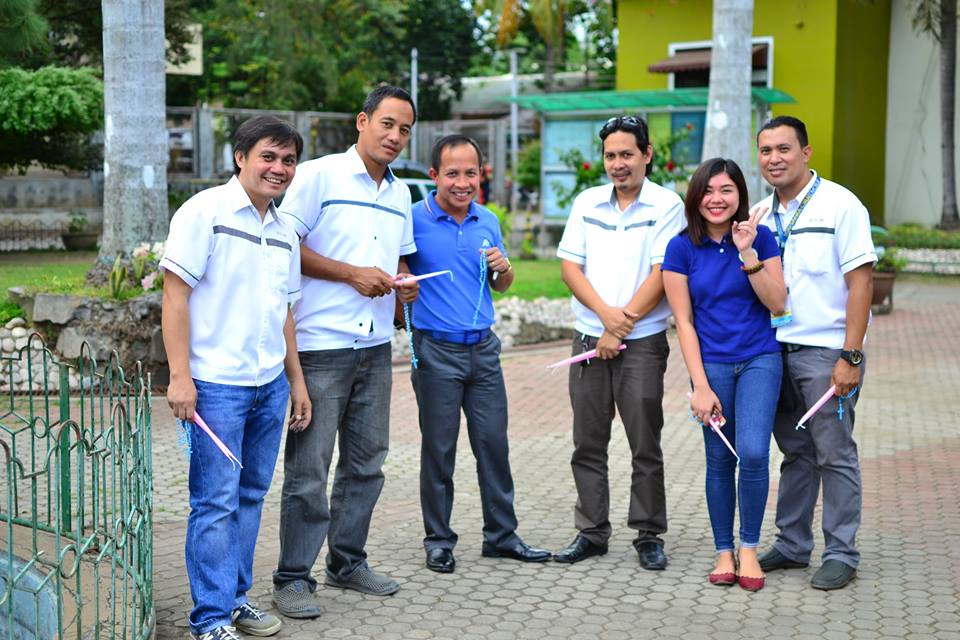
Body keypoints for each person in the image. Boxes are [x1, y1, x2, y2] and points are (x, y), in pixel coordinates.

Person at [271, 86, 420, 617]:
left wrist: (406, 288)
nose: (395, 137)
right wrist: (350, 274)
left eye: (404, 129)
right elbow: (285, 247)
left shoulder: (401, 194)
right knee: (309, 471)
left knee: (366, 465)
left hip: (376, 348)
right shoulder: (319, 176)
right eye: (387, 124)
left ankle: (347, 561)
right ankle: (292, 577)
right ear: (362, 121)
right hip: (320, 347)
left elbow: (401, 265)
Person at [161, 115, 311, 640]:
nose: (279, 168)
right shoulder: (205, 211)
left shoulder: (286, 229)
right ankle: (209, 619)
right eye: (268, 156)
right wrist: (180, 377)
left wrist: (295, 382)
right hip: (217, 385)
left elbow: (286, 311)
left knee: (250, 496)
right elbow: (174, 296)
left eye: (288, 160)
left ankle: (236, 598)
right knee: (215, 501)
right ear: (240, 157)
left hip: (268, 384)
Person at [405, 135, 551, 574]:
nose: (462, 182)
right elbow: (397, 279)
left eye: (471, 173)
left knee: (493, 446)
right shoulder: (411, 220)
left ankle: (501, 537)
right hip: (436, 352)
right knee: (439, 450)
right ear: (434, 176)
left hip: (484, 351)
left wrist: (505, 270)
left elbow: (499, 285)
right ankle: (438, 540)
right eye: (452, 173)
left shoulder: (487, 219)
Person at [553, 115, 684, 569]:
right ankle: (591, 532)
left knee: (644, 441)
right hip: (589, 340)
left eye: (627, 154)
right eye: (610, 155)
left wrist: (619, 326)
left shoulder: (667, 205)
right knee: (587, 441)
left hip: (642, 343)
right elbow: (571, 267)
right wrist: (605, 320)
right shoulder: (587, 201)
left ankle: (648, 533)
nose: (618, 164)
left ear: (647, 155)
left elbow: (662, 275)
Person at [754, 115, 876, 591]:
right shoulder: (761, 214)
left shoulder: (840, 205)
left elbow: (860, 281)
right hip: (775, 351)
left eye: (784, 149)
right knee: (795, 452)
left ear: (806, 152)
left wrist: (852, 355)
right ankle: (791, 545)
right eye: (765, 151)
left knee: (835, 453)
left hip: (826, 353)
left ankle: (842, 553)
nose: (774, 159)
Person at [661, 158, 787, 591]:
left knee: (753, 452)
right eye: (708, 191)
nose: (717, 199)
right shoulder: (680, 249)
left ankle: (749, 546)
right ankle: (723, 550)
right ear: (696, 197)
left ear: (740, 196)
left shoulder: (762, 238)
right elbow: (685, 322)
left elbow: (777, 303)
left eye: (726, 190)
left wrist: (747, 252)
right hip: (711, 364)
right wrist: (699, 385)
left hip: (759, 359)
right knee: (720, 459)